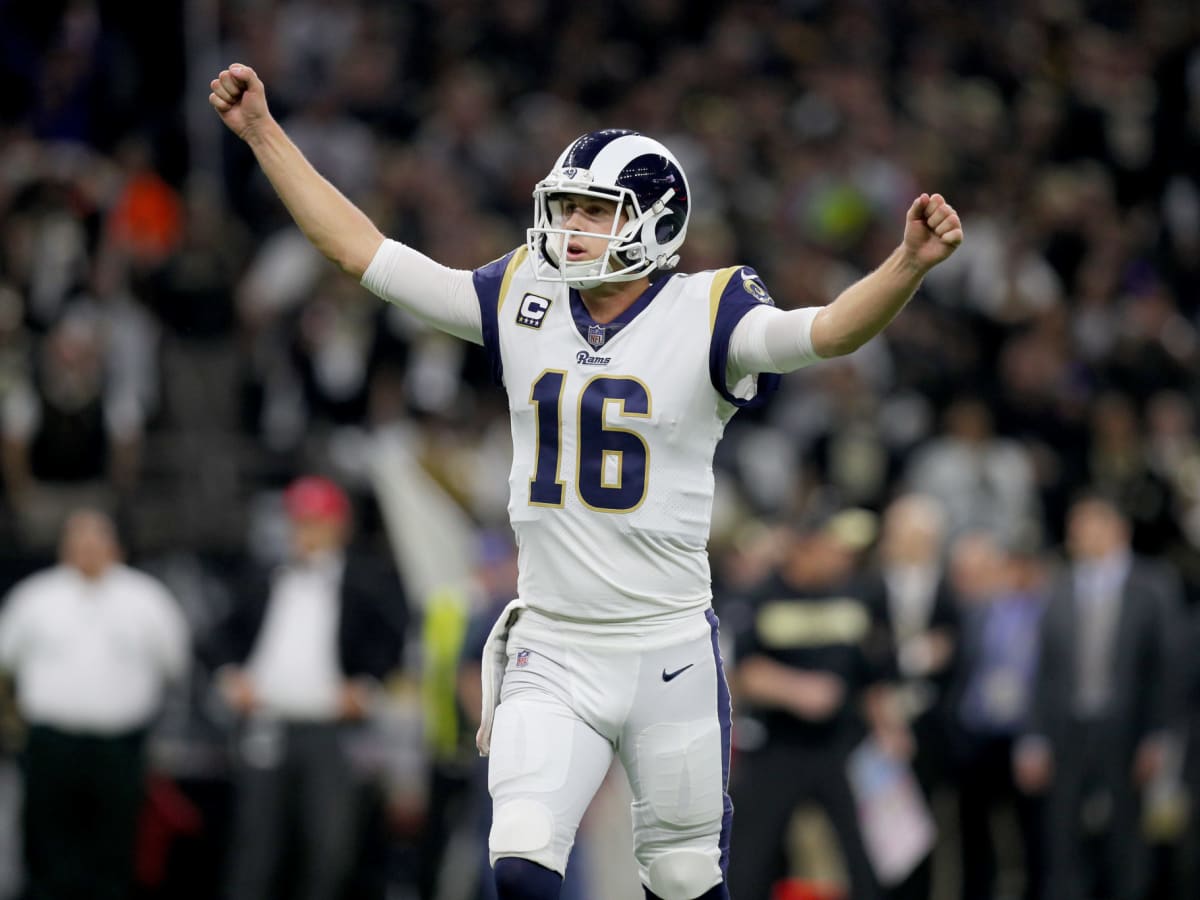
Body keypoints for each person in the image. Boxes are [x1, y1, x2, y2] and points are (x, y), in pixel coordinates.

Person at [208, 62, 964, 900]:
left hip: (667, 644)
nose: (570, 226)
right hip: (554, 641)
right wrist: (264, 135)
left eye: (595, 211)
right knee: (523, 863)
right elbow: (364, 253)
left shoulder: (710, 311)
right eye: (566, 207)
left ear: (656, 222)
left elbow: (824, 333)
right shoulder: (522, 293)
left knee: (681, 880)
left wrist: (905, 266)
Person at [207, 475, 407, 900]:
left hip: (330, 729)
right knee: (254, 846)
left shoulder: (365, 580)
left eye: (316, 521)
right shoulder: (262, 576)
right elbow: (219, 636)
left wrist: (366, 688)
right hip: (265, 723)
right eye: (300, 521)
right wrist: (231, 678)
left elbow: (391, 640)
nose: (307, 531)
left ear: (339, 526)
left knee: (328, 848)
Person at [0, 508, 190, 900]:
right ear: (64, 546)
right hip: (51, 741)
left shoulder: (146, 598)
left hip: (119, 745)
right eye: (78, 538)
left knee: (115, 846)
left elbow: (176, 667)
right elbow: (5, 666)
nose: (87, 547)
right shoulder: (35, 597)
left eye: (96, 537)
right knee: (47, 844)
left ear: (115, 545)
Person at [726, 509, 908, 900]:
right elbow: (744, 672)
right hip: (780, 747)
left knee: (865, 856)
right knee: (752, 858)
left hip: (842, 746)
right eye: (827, 547)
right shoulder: (762, 597)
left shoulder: (856, 595)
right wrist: (796, 690)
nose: (836, 557)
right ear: (801, 548)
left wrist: (890, 730)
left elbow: (873, 675)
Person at [1014, 493, 1181, 900]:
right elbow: (1042, 669)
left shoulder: (1153, 585)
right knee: (1062, 839)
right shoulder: (1059, 586)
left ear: (1116, 530)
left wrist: (1158, 736)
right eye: (1075, 526)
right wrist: (1033, 738)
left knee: (1126, 839)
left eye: (1088, 525)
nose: (1077, 534)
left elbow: (1166, 668)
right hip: (1066, 727)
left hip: (1128, 727)